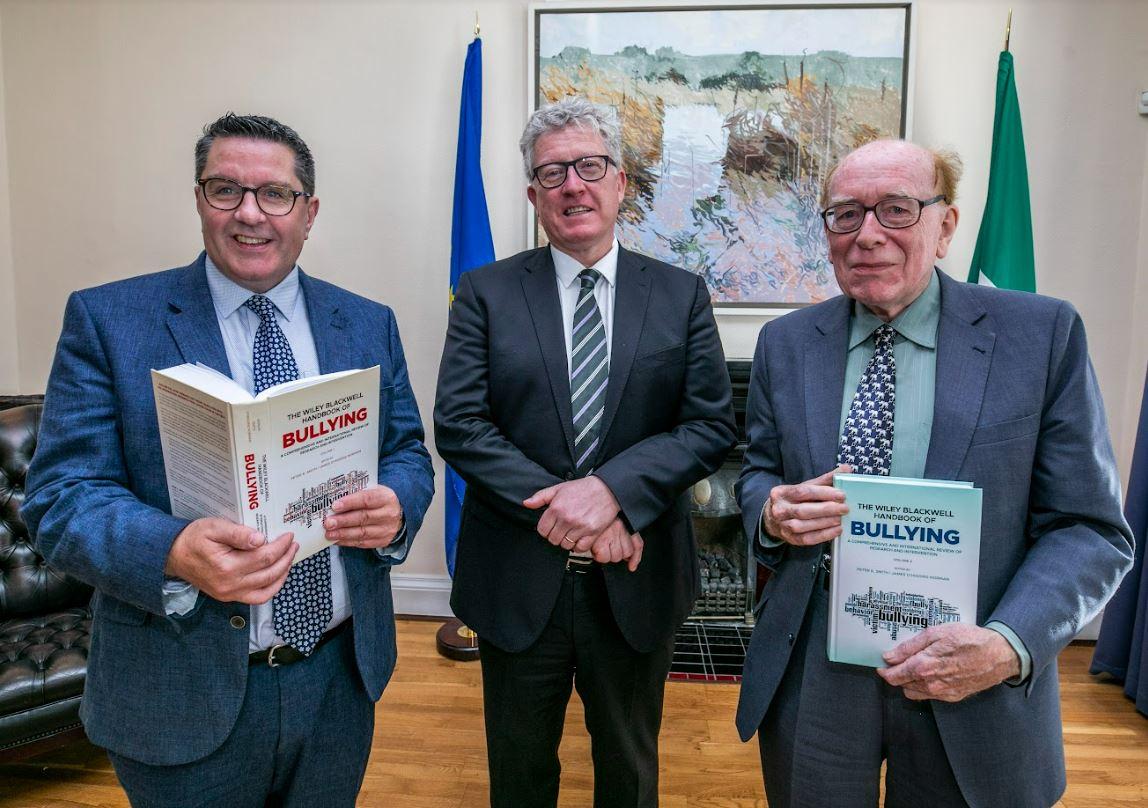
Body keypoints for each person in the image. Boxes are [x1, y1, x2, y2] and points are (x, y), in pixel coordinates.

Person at [24, 113, 434, 807]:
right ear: (198, 199)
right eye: (225, 190)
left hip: (338, 680)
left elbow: (406, 454)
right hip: (179, 688)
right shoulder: (110, 320)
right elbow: (61, 497)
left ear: (309, 212)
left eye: (274, 194)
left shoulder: (366, 322)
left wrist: (396, 505)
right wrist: (173, 548)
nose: (250, 213)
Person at [734, 138, 1134, 807]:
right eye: (845, 214)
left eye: (895, 210)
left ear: (945, 226)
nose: (867, 235)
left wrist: (1006, 646)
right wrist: (772, 512)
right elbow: (758, 474)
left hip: (970, 668)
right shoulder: (788, 343)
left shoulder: (1042, 336)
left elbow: (1090, 529)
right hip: (816, 668)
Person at [434, 97, 736, 808]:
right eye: (553, 172)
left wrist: (612, 495)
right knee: (518, 770)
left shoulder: (681, 295)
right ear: (532, 194)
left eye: (589, 167)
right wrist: (573, 510)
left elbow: (708, 425)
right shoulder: (485, 292)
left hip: (636, 579)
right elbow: (460, 424)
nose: (573, 184)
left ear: (621, 182)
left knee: (629, 770)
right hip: (515, 579)